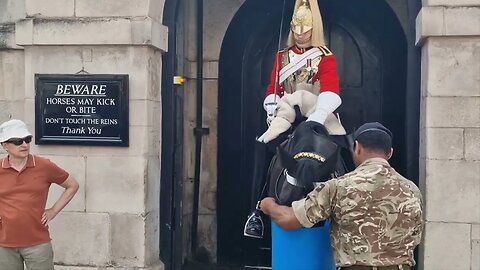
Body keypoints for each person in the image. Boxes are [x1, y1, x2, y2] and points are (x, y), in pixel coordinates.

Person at [260, 122, 424, 269]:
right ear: (390, 153)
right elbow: (415, 236)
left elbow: (289, 220)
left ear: (357, 148)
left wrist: (268, 205)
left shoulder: (338, 187)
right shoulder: (412, 190)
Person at [259, 0, 344, 144]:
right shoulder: (282, 56)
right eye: (296, 30)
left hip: (317, 112)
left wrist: (320, 114)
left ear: (313, 29)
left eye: (304, 31)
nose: (299, 35)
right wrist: (271, 107)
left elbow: (330, 88)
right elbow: (274, 87)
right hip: (287, 113)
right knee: (265, 144)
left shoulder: (325, 56)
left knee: (342, 145)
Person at [0, 119, 79, 270]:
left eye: (27, 139)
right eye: (18, 141)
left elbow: (72, 185)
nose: (24, 144)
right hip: (4, 245)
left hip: (38, 243)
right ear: (5, 145)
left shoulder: (44, 166)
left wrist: (54, 210)